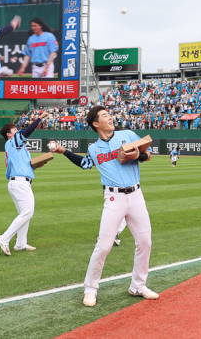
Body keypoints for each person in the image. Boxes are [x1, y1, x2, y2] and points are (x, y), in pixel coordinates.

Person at [48, 106, 158, 306]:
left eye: (109, 114)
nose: (110, 117)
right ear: (96, 124)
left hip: (136, 195)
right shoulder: (93, 148)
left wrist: (138, 156)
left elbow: (148, 155)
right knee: (104, 246)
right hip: (113, 198)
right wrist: (63, 151)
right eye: (105, 115)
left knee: (145, 242)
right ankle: (90, 289)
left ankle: (138, 286)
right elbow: (84, 164)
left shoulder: (128, 134)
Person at [0, 111, 49, 256]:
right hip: (19, 182)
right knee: (27, 212)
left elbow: (21, 165)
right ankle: (4, 238)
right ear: (9, 134)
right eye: (14, 130)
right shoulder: (13, 141)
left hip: (17, 181)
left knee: (24, 213)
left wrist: (35, 166)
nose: (17, 131)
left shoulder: (15, 147)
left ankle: (20, 244)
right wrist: (39, 118)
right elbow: (27, 132)